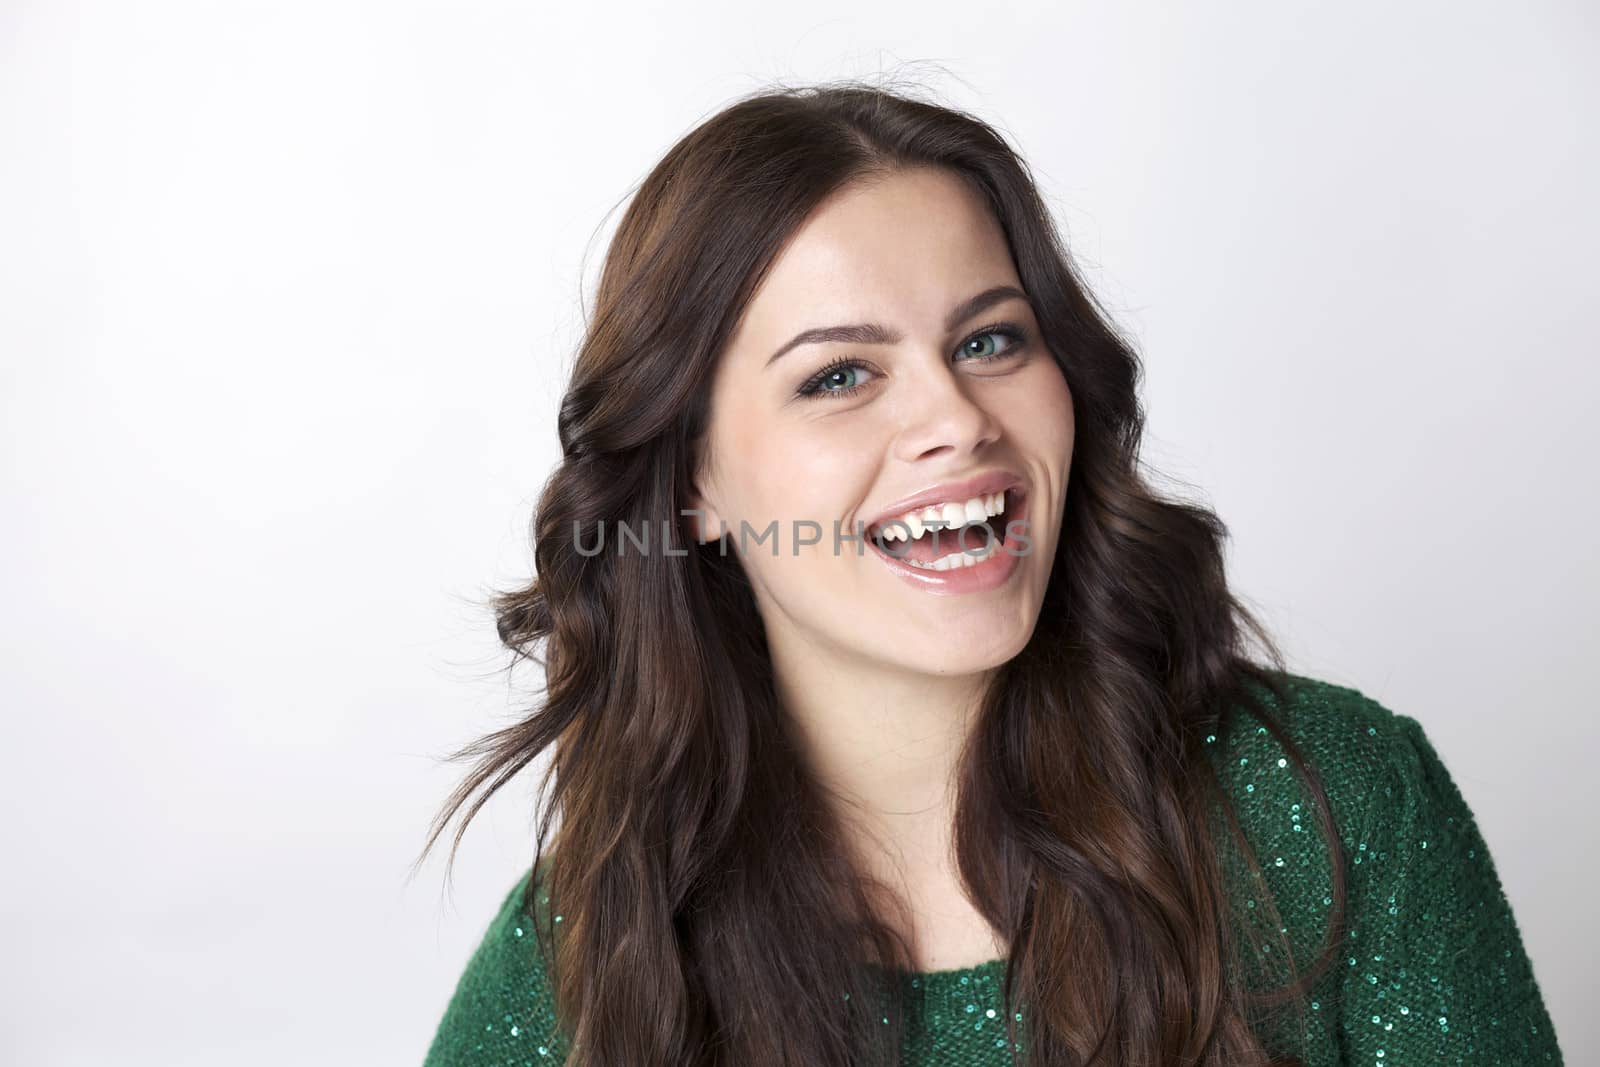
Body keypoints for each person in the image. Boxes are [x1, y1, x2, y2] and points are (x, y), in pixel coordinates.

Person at [415, 81, 1562, 1066]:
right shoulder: (595, 935)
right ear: (691, 484)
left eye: (988, 341)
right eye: (838, 376)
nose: (955, 419)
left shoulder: (1334, 802)